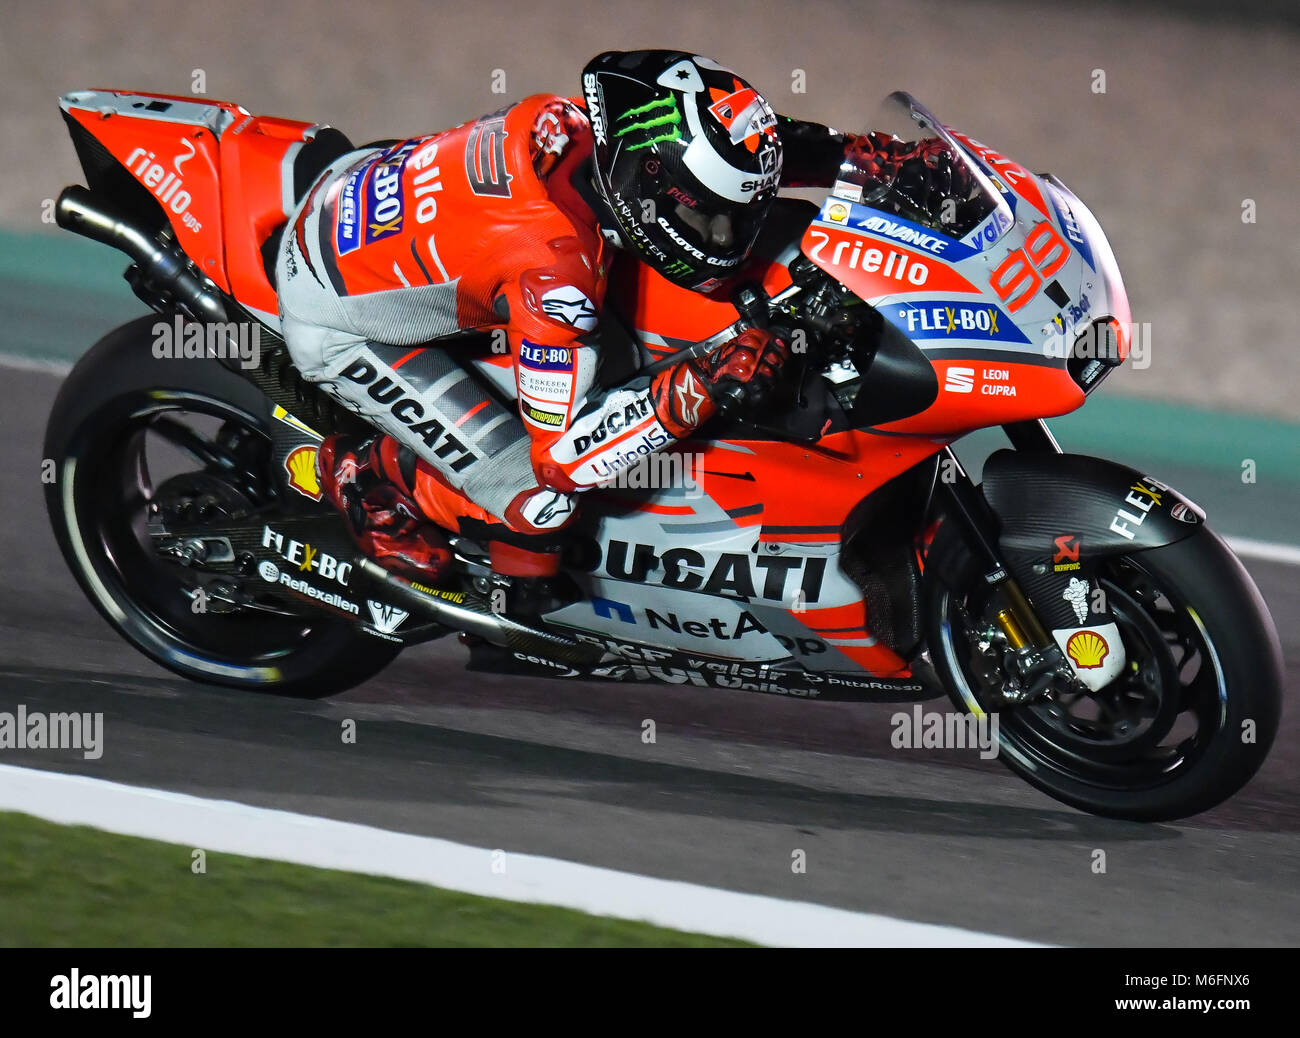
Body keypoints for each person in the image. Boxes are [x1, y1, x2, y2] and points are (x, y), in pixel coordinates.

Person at [276, 49, 950, 583]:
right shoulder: (556, 275)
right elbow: (564, 461)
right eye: (707, 217)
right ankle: (370, 476)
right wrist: (703, 381)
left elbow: (735, 149)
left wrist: (864, 158)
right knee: (539, 508)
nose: (728, 235)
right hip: (344, 323)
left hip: (384, 208)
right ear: (651, 190)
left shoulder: (595, 129)